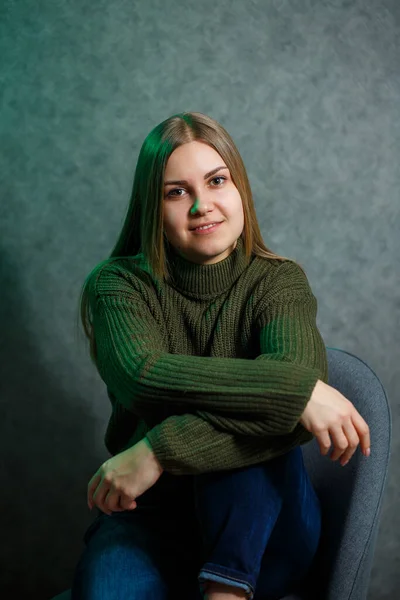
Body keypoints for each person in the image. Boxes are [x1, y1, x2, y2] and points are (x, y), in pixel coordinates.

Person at [72, 112, 371, 600]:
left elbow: (289, 415)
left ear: (241, 190)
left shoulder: (277, 280)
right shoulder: (119, 285)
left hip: (267, 526)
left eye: (216, 181)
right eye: (176, 192)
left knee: (256, 444)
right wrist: (295, 390)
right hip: (151, 517)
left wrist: (157, 450)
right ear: (153, 206)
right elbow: (144, 375)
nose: (202, 206)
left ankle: (226, 590)